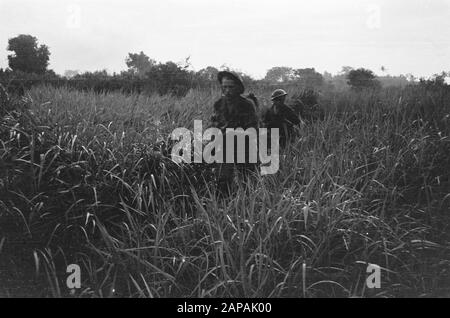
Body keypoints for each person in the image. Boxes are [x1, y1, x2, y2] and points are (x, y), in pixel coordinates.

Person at [209, 71, 259, 193]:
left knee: (247, 182)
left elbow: (253, 130)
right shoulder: (218, 104)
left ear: (238, 88)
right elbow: (214, 124)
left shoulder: (247, 105)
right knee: (222, 180)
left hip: (244, 147)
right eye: (224, 86)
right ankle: (223, 206)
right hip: (225, 147)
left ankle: (246, 206)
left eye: (231, 87)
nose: (227, 90)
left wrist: (234, 133)